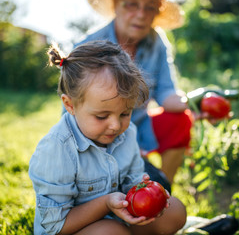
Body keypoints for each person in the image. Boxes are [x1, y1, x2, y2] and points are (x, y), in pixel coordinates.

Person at [29, 40, 186, 235]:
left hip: (117, 220)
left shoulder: (126, 133)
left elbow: (133, 180)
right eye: (101, 116)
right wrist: (106, 204)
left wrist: (144, 192)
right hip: (73, 229)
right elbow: (54, 227)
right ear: (70, 105)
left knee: (175, 211)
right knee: (112, 231)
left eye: (125, 113)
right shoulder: (57, 149)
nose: (116, 125)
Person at [73, 0, 193, 185]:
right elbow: (75, 118)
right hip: (98, 134)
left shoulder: (156, 42)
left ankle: (162, 195)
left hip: (140, 126)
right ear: (115, 5)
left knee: (180, 119)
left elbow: (166, 92)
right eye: (132, 4)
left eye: (150, 7)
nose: (141, 15)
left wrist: (193, 103)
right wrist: (121, 146)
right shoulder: (89, 47)